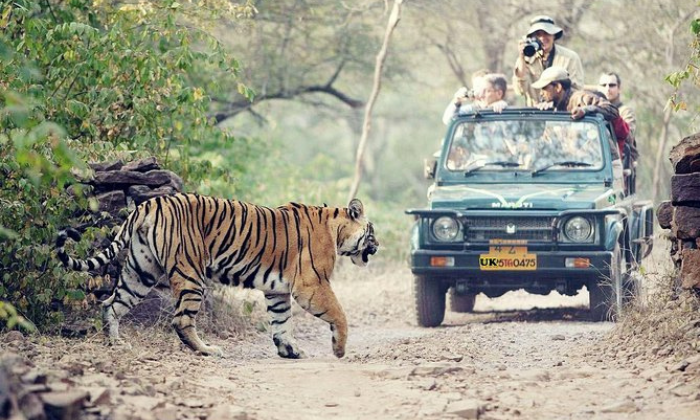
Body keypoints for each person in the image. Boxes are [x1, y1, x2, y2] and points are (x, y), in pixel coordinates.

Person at [513, 16, 584, 107]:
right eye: (538, 35)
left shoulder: (570, 57)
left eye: (547, 33)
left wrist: (553, 102)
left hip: (562, 113)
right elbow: (520, 91)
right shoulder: (525, 60)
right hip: (533, 113)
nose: (542, 38)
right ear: (532, 39)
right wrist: (522, 57)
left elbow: (576, 89)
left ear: (554, 35)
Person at [442, 73, 509, 124]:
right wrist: (457, 101)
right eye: (480, 90)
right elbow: (448, 120)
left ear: (499, 94)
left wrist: (502, 107)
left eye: (486, 91)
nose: (481, 95)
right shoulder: (470, 111)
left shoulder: (508, 113)